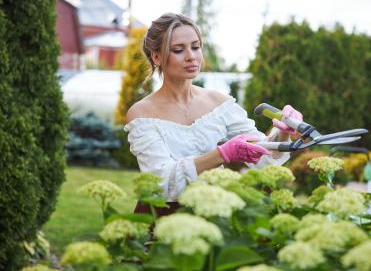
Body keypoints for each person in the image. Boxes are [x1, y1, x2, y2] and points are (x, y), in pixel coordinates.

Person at [125, 13, 303, 215]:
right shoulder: (141, 113)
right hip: (162, 217)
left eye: (195, 46)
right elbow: (161, 182)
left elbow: (264, 159)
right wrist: (223, 153)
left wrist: (283, 133)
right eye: (178, 50)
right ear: (156, 57)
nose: (191, 56)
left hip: (213, 212)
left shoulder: (219, 103)